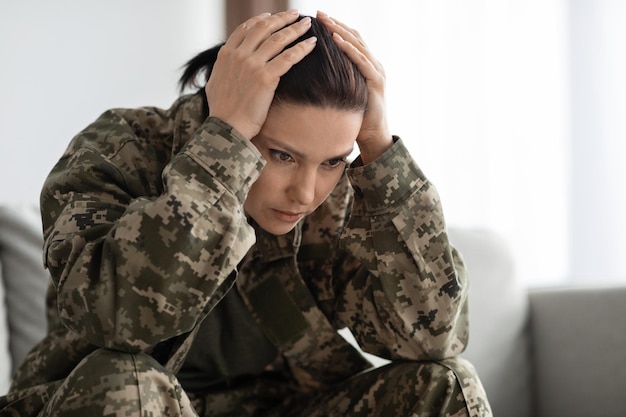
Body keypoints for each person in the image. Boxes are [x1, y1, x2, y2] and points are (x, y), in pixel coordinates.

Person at [0, 9, 491, 417]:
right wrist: (222, 148)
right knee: (130, 382)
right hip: (118, 403)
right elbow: (120, 321)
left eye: (331, 162)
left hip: (283, 407)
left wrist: (380, 152)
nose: (305, 192)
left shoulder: (341, 199)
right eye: (282, 155)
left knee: (446, 383)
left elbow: (432, 339)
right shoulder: (120, 150)